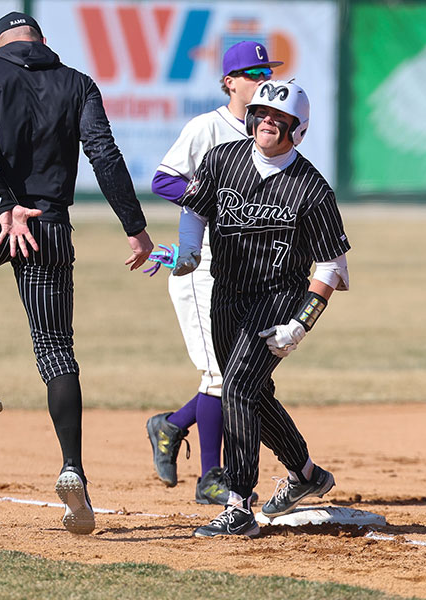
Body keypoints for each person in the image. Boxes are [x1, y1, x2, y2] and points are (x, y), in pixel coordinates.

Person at [0, 11, 153, 536]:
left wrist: (3, 204)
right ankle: (73, 469)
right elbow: (103, 154)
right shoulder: (78, 83)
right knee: (54, 348)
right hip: (49, 226)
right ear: (42, 42)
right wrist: (135, 228)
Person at [172, 80, 351, 537]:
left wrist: (300, 325)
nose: (268, 122)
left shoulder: (311, 188)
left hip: (277, 300)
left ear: (298, 128)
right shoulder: (222, 159)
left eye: (280, 118)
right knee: (253, 395)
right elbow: (194, 209)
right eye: (262, 114)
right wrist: (189, 249)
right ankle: (307, 475)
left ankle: (238, 505)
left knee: (234, 389)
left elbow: (331, 266)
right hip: (226, 295)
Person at [143, 41, 282, 506]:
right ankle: (210, 479)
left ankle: (173, 425)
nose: (262, 78)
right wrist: (210, 195)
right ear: (229, 81)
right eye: (252, 72)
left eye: (267, 70)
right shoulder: (207, 127)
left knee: (238, 373)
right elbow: (164, 178)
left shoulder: (268, 132)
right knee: (223, 377)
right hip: (201, 267)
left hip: (245, 274)